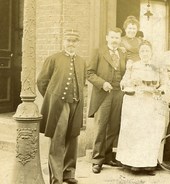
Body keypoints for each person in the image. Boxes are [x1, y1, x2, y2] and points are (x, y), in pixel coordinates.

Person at [37, 29, 86, 184]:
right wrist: (52, 98)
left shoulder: (81, 61)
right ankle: (56, 178)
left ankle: (69, 174)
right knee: (57, 140)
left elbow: (82, 82)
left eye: (74, 41)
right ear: (63, 41)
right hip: (59, 105)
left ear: (78, 43)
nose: (71, 44)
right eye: (68, 40)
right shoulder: (53, 59)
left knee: (73, 138)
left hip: (76, 104)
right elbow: (41, 82)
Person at [116, 40, 167, 176]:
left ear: (151, 52)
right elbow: (123, 82)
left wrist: (160, 91)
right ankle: (134, 164)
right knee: (136, 133)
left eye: (147, 51)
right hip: (136, 103)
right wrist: (130, 85)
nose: (145, 53)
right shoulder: (133, 66)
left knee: (149, 133)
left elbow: (164, 83)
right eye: (142, 51)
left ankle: (149, 165)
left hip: (151, 104)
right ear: (139, 53)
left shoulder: (157, 67)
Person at [87, 27, 126, 174]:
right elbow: (89, 73)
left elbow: (125, 72)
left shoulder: (122, 53)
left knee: (114, 127)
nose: (115, 40)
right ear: (107, 38)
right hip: (103, 94)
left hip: (118, 94)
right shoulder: (98, 52)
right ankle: (97, 160)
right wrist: (102, 83)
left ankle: (109, 156)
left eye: (117, 37)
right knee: (100, 127)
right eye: (112, 37)